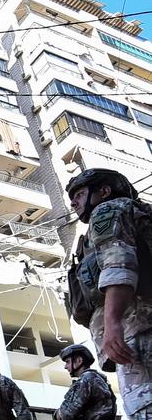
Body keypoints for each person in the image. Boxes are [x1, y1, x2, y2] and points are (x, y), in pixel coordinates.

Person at [66, 168, 152, 419]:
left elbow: (118, 263)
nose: (73, 202)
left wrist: (113, 323)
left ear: (103, 191)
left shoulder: (107, 210)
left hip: (136, 329)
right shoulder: (138, 213)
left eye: (80, 194)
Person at [53, 344, 116, 420]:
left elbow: (66, 413)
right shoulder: (98, 378)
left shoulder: (86, 378)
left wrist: (57, 414)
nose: (65, 366)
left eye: (68, 362)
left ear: (79, 360)